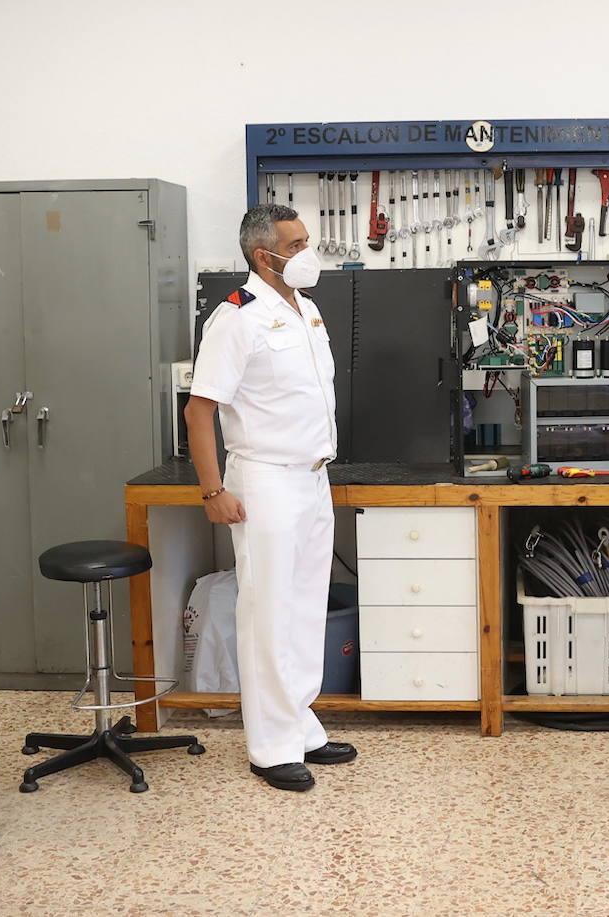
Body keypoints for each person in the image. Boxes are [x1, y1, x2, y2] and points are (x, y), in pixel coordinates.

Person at [184, 204, 357, 791]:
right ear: (265, 255)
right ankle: (269, 746)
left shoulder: (305, 309)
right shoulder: (237, 318)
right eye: (299, 243)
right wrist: (213, 489)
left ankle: (301, 724)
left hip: (312, 477)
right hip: (265, 480)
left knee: (306, 606)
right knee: (268, 611)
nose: (310, 251)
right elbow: (199, 409)